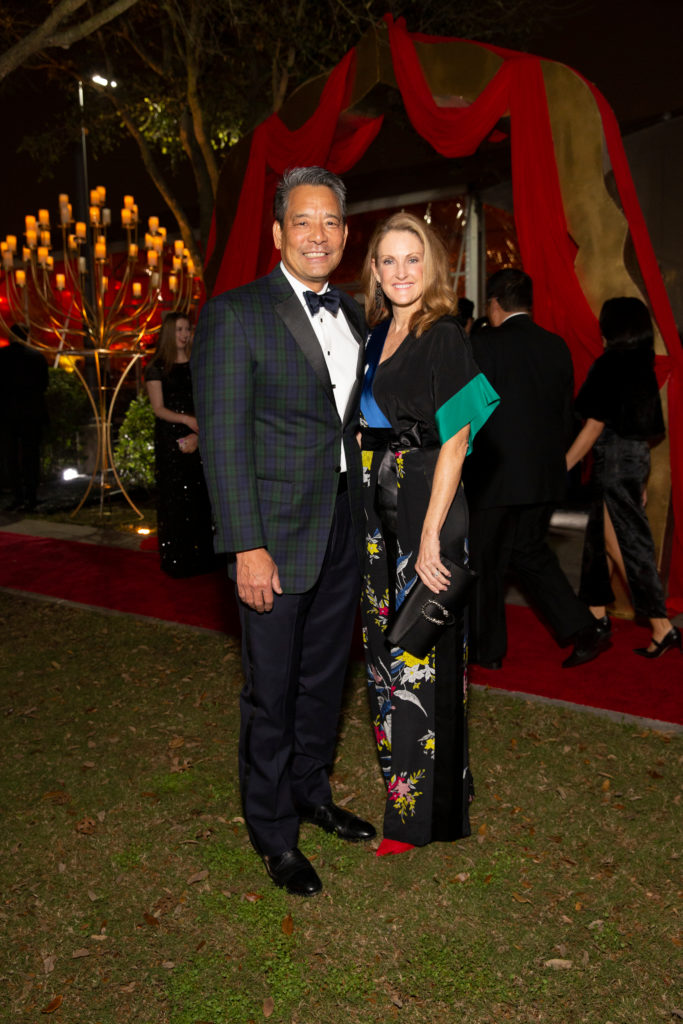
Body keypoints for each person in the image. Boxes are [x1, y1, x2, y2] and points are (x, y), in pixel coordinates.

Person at [191, 166, 375, 897]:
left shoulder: (356, 314)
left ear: (344, 232)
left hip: (342, 525)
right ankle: (273, 833)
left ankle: (311, 794)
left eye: (330, 221)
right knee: (271, 690)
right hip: (272, 534)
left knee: (325, 680)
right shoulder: (236, 314)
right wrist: (246, 544)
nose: (318, 234)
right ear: (277, 233)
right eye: (303, 221)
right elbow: (224, 440)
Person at [359, 212, 499, 854]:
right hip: (378, 510)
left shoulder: (443, 334)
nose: (401, 272)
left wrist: (434, 536)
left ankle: (421, 815)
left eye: (412, 258)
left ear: (432, 265)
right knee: (387, 653)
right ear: (375, 271)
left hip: (428, 509)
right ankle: (415, 782)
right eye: (388, 261)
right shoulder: (376, 334)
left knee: (422, 656)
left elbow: (458, 438)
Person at [465, 268, 608, 670]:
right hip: (544, 475)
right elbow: (565, 417)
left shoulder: (484, 344)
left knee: (485, 563)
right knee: (528, 552)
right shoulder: (556, 346)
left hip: (494, 476)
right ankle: (585, 629)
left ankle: (487, 653)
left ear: (493, 304)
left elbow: (473, 413)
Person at [566, 297, 680, 658]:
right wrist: (641, 479)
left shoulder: (610, 365)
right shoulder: (642, 365)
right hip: (633, 460)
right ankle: (597, 616)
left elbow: (594, 426)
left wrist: (562, 464)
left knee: (625, 547)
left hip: (613, 462)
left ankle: (661, 627)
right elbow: (646, 430)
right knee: (599, 542)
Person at [145, 312, 216, 578]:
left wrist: (200, 430)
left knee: (202, 497)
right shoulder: (157, 367)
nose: (185, 334)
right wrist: (187, 420)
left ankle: (205, 556)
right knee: (176, 499)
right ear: (168, 334)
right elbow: (158, 409)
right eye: (179, 330)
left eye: (187, 329)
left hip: (200, 433)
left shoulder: (199, 363)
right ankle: (179, 558)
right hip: (172, 438)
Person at [0, 324, 49, 512]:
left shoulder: (2, 357)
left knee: (11, 456)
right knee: (31, 455)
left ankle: (17, 495)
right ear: (26, 338)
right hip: (31, 413)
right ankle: (31, 496)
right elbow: (44, 384)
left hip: (7, 414)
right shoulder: (36, 357)